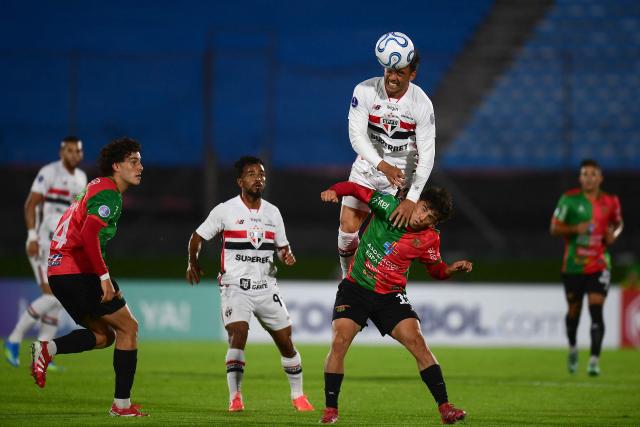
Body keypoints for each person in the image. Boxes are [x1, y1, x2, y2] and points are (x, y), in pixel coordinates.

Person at [320, 181, 471, 425]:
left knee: (418, 343)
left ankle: (445, 407)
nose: (422, 217)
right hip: (356, 287)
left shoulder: (429, 239)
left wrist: (450, 269)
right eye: (423, 208)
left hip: (390, 295)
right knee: (340, 341)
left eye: (430, 216)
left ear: (434, 223)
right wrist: (335, 190)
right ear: (416, 201)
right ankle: (330, 409)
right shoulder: (389, 206)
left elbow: (436, 270)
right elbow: (357, 189)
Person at [186, 156, 314, 413]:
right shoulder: (225, 210)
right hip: (235, 286)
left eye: (262, 174)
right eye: (252, 174)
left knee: (286, 342)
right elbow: (197, 237)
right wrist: (192, 262)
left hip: (266, 286)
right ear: (240, 181)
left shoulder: (273, 212)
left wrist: (286, 255)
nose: (258, 178)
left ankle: (298, 395)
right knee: (238, 334)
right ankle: (235, 397)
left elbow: (282, 247)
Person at [30, 137, 147, 417]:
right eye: (134, 161)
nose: (141, 167)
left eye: (140, 161)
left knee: (103, 336)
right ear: (117, 166)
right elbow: (87, 234)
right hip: (77, 271)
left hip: (60, 272)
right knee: (128, 328)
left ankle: (47, 349)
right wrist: (104, 277)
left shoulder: (94, 185)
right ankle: (121, 406)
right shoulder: (109, 194)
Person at [338, 32, 436, 279]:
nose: (392, 78)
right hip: (368, 169)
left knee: (382, 244)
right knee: (347, 229)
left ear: (412, 74)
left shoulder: (421, 104)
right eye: (389, 71)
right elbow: (356, 138)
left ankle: (378, 289)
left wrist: (412, 198)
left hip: (401, 180)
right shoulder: (365, 90)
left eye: (400, 73)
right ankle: (347, 281)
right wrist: (382, 166)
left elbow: (428, 155)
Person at [4, 136, 87, 369]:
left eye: (77, 151)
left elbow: (77, 216)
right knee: (51, 295)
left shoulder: (81, 178)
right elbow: (31, 204)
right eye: (69, 150)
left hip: (62, 247)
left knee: (59, 298)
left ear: (81, 154)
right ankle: (13, 339)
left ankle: (42, 351)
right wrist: (31, 236)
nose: (73, 155)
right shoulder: (49, 172)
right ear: (62, 152)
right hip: (42, 242)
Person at [550, 159, 623, 376]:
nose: (589, 177)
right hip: (573, 265)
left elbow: (617, 223)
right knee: (574, 312)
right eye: (585, 174)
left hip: (599, 264)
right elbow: (554, 228)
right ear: (580, 178)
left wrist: (613, 234)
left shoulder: (611, 201)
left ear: (600, 178)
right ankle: (573, 347)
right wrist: (575, 228)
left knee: (596, 309)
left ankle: (594, 360)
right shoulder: (569, 200)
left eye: (593, 174)